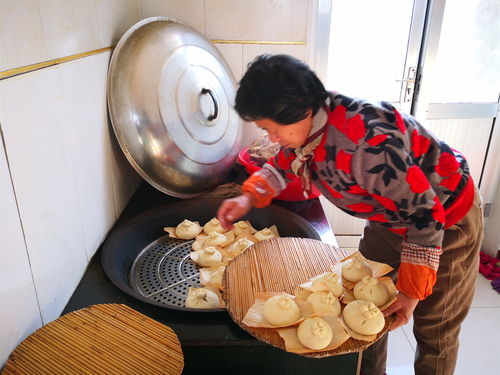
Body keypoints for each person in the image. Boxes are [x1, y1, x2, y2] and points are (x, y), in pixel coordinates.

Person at [216, 54, 483, 375]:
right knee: (368, 307)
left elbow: (425, 216)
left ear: (300, 109)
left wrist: (411, 292)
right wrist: (248, 197)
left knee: (434, 325)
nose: (271, 138)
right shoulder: (310, 125)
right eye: (265, 129)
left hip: (446, 218)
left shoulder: (367, 146)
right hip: (391, 215)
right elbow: (287, 159)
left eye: (273, 129)